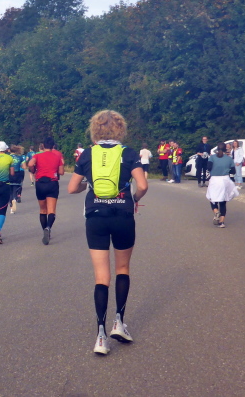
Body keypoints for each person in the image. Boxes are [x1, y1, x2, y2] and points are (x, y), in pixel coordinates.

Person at [68, 110, 148, 356]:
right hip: (123, 215)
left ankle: (101, 336)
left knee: (101, 277)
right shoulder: (129, 153)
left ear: (95, 129)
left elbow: (72, 188)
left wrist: (87, 185)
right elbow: (143, 185)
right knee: (122, 269)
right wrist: (134, 199)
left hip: (95, 217)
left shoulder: (87, 154)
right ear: (120, 129)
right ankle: (119, 322)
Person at [27, 137, 65, 245]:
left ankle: (44, 230)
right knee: (51, 210)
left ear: (43, 145)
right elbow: (61, 172)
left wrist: (34, 171)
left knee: (43, 210)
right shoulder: (57, 156)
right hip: (52, 183)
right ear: (53, 146)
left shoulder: (37, 155)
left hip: (40, 183)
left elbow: (30, 164)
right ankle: (48, 228)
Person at [207, 142, 239, 228]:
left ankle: (216, 211)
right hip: (225, 180)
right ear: (225, 149)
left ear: (217, 149)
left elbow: (209, 168)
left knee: (212, 198)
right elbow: (233, 171)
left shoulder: (212, 157)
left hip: (215, 180)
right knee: (223, 201)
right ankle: (221, 222)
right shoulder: (229, 159)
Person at [9, 145, 26, 211]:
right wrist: (19, 165)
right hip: (17, 174)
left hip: (9, 174)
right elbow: (24, 167)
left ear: (9, 150)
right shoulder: (20, 157)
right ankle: (14, 198)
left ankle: (11, 203)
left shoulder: (8, 157)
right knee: (15, 188)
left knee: (10, 190)